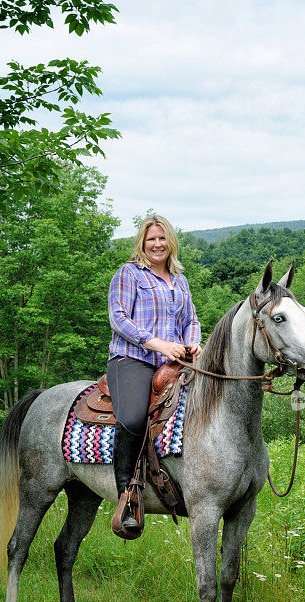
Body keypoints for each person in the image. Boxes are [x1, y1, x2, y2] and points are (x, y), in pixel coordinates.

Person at [107, 214, 202, 536]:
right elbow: (118, 318)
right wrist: (158, 344)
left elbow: (191, 319)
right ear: (142, 243)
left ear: (170, 242)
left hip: (175, 362)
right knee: (133, 419)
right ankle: (127, 496)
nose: (157, 244)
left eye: (162, 239)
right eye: (151, 239)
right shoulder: (129, 274)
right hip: (133, 358)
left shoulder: (181, 279)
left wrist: (193, 342)